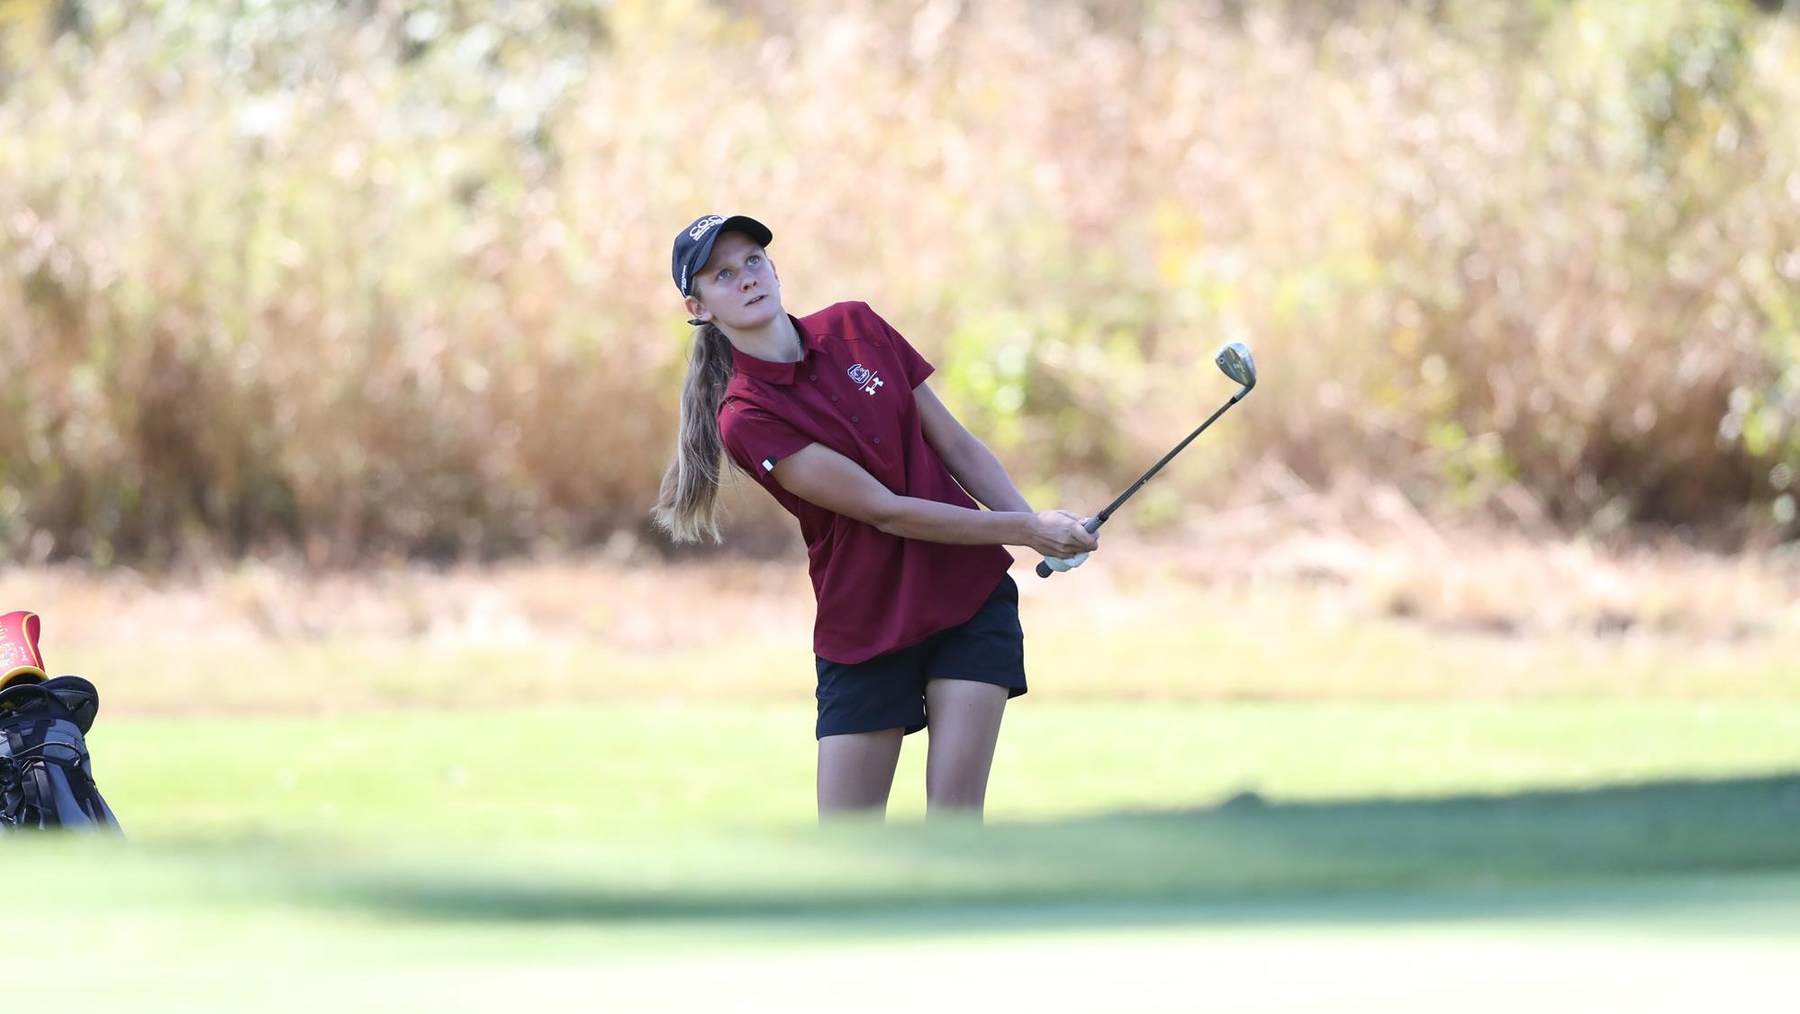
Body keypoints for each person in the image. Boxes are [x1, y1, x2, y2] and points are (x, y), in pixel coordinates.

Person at [652, 214, 1099, 821]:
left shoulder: (857, 326)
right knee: (849, 851)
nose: (747, 278)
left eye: (753, 259)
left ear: (774, 265)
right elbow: (883, 512)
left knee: (954, 828)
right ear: (698, 307)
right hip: (864, 627)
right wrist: (1026, 530)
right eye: (722, 275)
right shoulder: (745, 415)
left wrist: (1039, 529)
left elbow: (957, 446)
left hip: (967, 599)